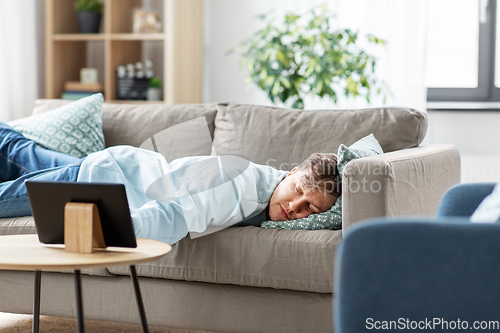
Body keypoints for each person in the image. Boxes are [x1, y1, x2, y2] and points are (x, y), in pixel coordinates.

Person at [0, 122, 341, 244]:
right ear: (290, 173)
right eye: (299, 192)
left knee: (22, 154)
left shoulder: (267, 194)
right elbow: (171, 215)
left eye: (309, 209)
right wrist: (105, 227)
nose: (295, 208)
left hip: (120, 167)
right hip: (100, 181)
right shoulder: (236, 188)